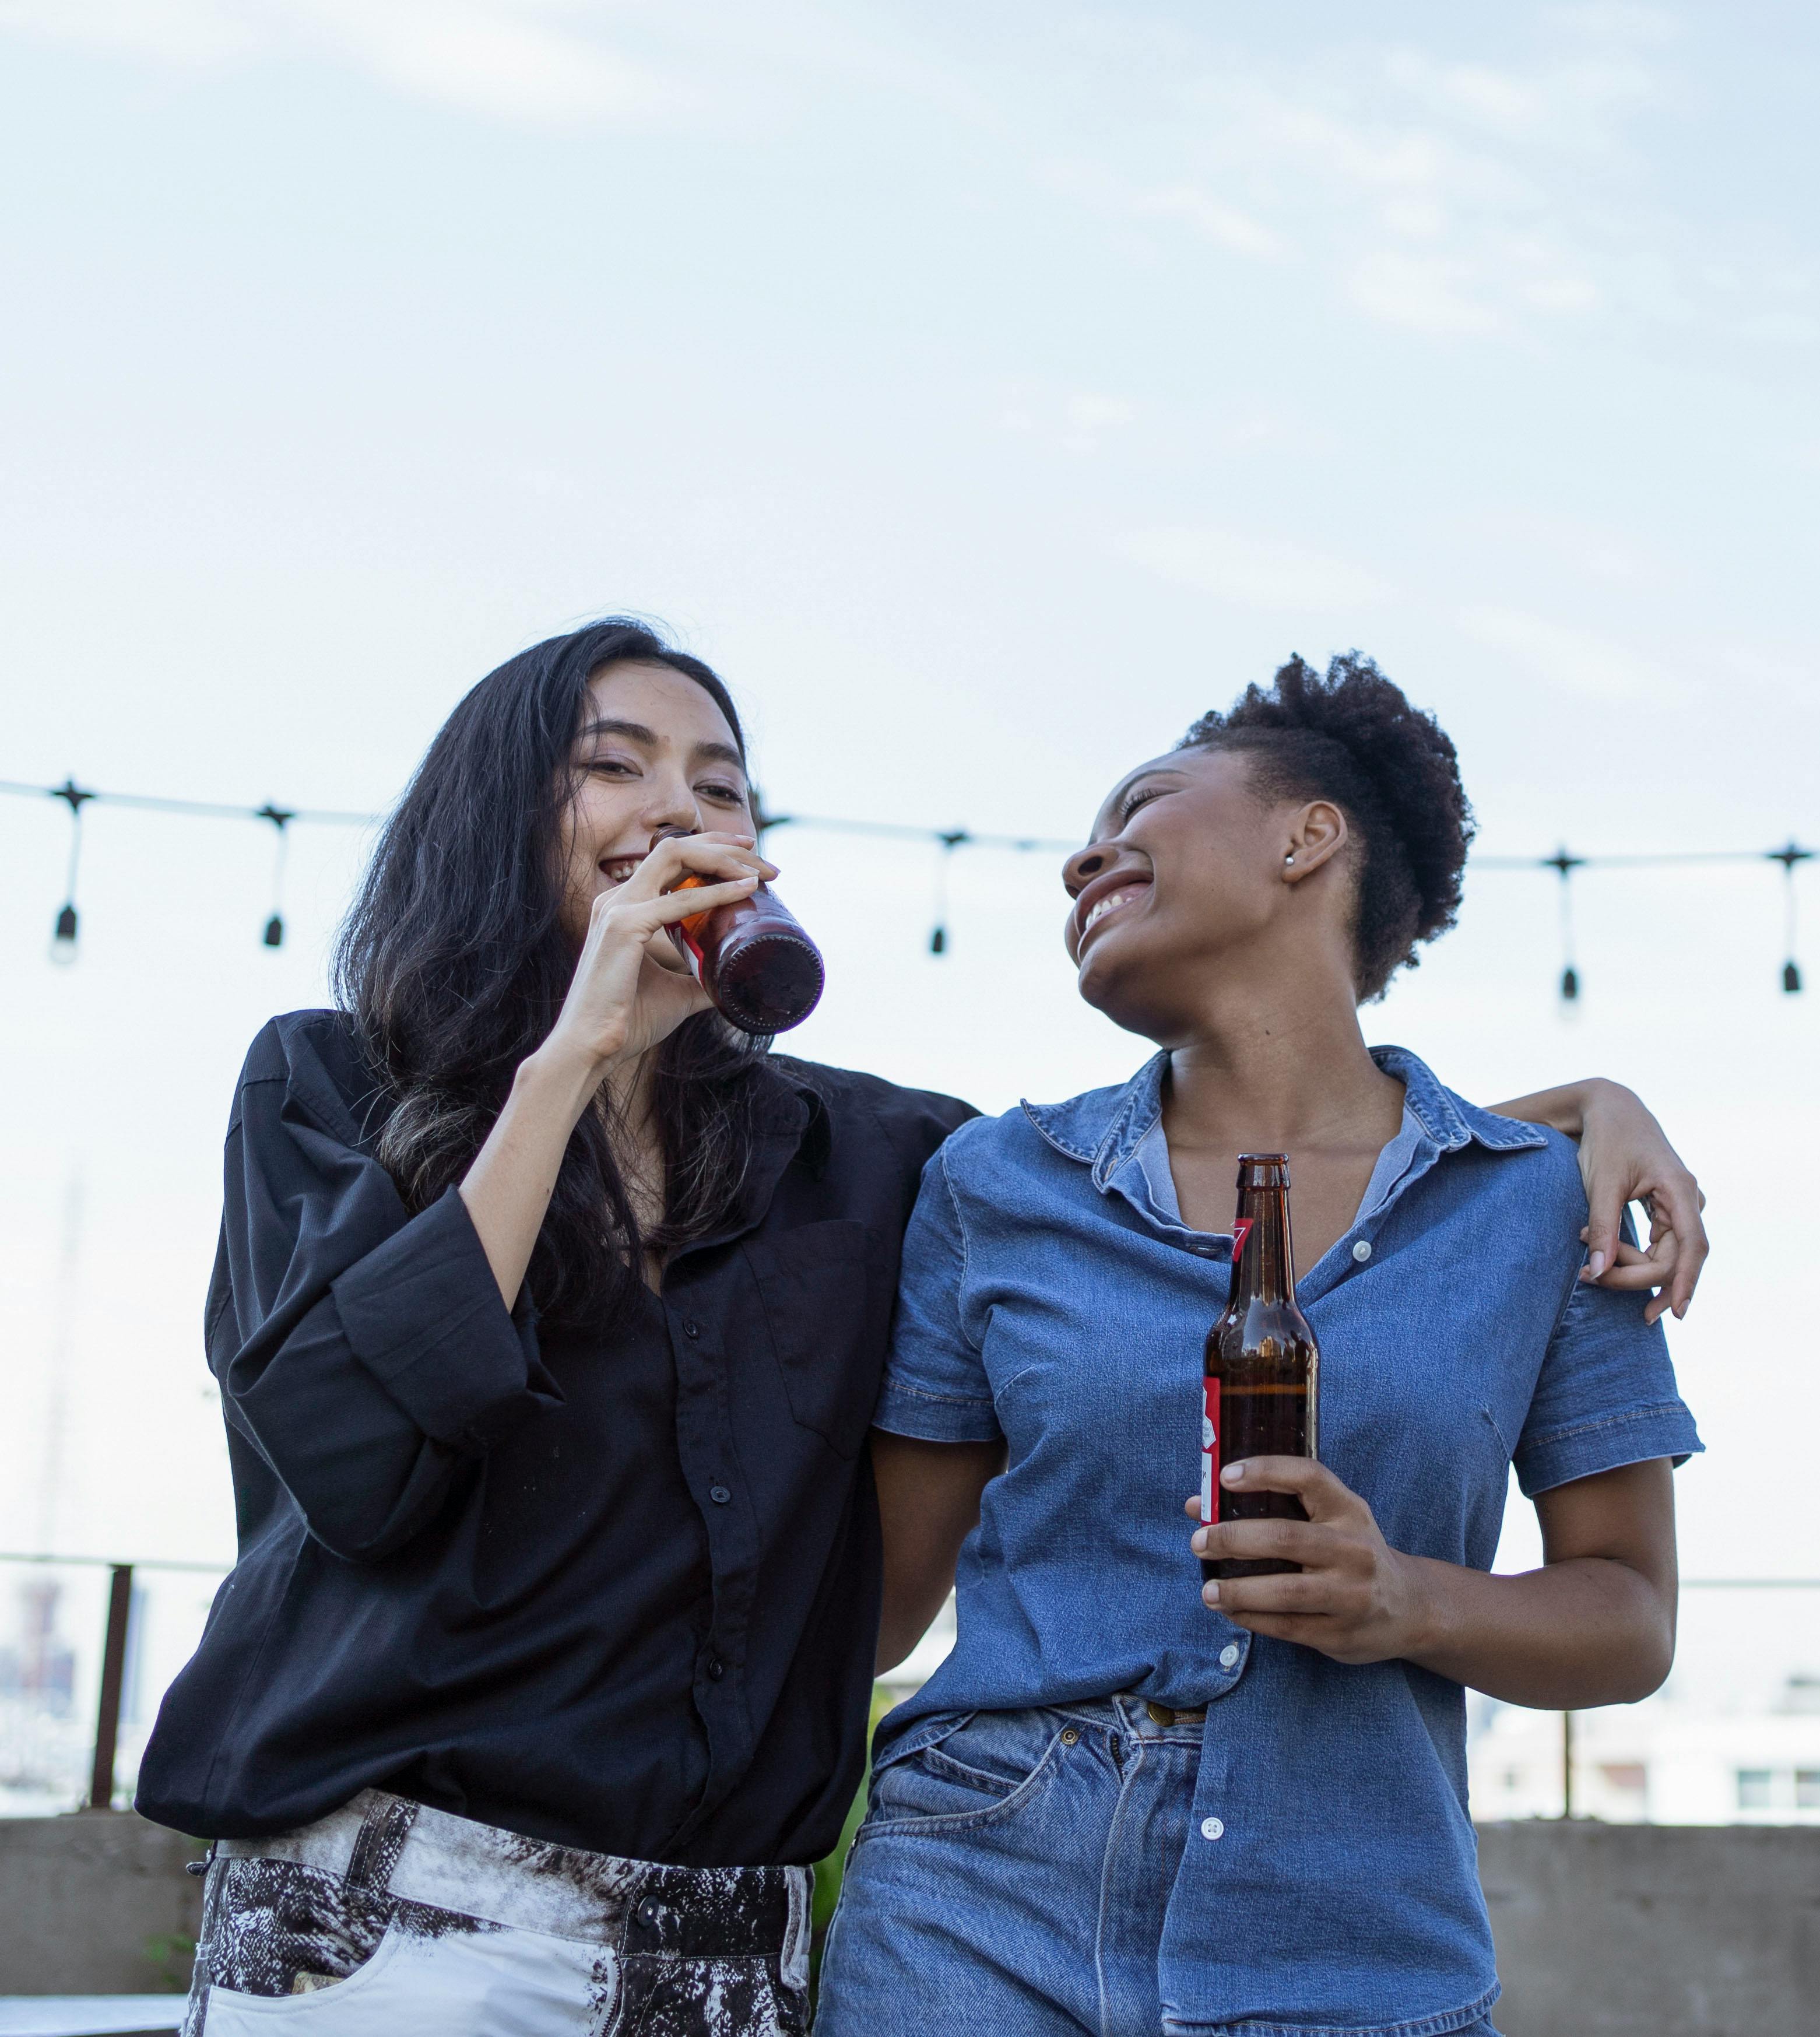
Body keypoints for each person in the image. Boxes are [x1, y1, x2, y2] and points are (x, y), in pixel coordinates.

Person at [136, 621, 1698, 2036]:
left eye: (723, 783)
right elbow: (355, 1457)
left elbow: (1272, 1171)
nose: (685, 809)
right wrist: (573, 1055)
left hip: (732, 1955)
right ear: (499, 813)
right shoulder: (332, 1090)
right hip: (410, 1921)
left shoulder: (877, 1157)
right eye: (614, 766)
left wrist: (1551, 1127)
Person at [818, 654, 1703, 2037]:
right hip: (969, 1915)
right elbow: (872, 1608)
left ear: (1308, 835)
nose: (1080, 859)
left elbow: (1631, 1616)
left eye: (1144, 803)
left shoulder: (1537, 1204)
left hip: (1354, 1945)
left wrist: (1404, 1601)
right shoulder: (995, 1185)